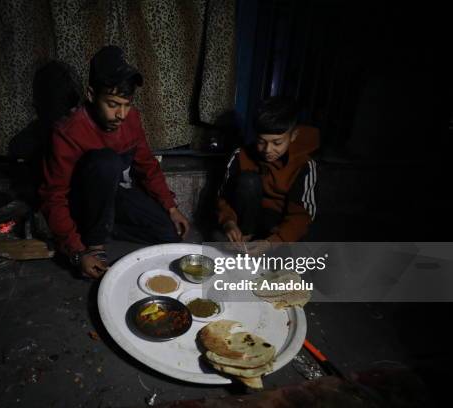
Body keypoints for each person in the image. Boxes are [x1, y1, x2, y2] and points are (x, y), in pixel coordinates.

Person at [40, 46, 190, 278]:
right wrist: (77, 252)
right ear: (91, 95)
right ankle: (94, 241)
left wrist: (171, 207)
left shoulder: (131, 120)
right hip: (80, 205)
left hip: (112, 196)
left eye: (126, 104)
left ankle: (107, 227)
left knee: (169, 232)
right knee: (106, 161)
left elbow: (147, 165)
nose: (121, 114)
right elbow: (54, 196)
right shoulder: (67, 131)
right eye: (112, 104)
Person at [216, 96, 318, 252]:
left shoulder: (304, 164)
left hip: (278, 223)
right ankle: (245, 238)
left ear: (293, 136)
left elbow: (302, 215)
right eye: (261, 141)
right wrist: (228, 222)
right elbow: (223, 197)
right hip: (246, 219)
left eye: (277, 143)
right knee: (248, 181)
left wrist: (273, 242)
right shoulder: (240, 155)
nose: (268, 150)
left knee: (295, 258)